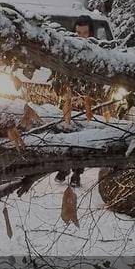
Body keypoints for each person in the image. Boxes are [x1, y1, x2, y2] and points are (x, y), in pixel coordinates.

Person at [56, 16, 94, 187]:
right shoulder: (68, 48)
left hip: (88, 98)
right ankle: (64, 168)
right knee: (67, 131)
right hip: (69, 96)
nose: (81, 37)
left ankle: (77, 173)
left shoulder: (96, 51)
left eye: (85, 33)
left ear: (90, 33)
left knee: (84, 137)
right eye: (78, 33)